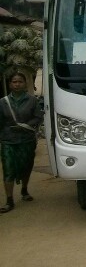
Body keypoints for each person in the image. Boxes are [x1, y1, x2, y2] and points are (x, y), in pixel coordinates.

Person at [1, 71, 43, 213]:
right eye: (14, 82)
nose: (17, 84)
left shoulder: (32, 100)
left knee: (26, 166)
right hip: (8, 141)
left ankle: (24, 190)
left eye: (20, 81)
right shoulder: (3, 102)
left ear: (25, 84)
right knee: (8, 169)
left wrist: (26, 125)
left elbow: (38, 117)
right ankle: (9, 200)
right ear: (10, 84)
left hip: (26, 140)